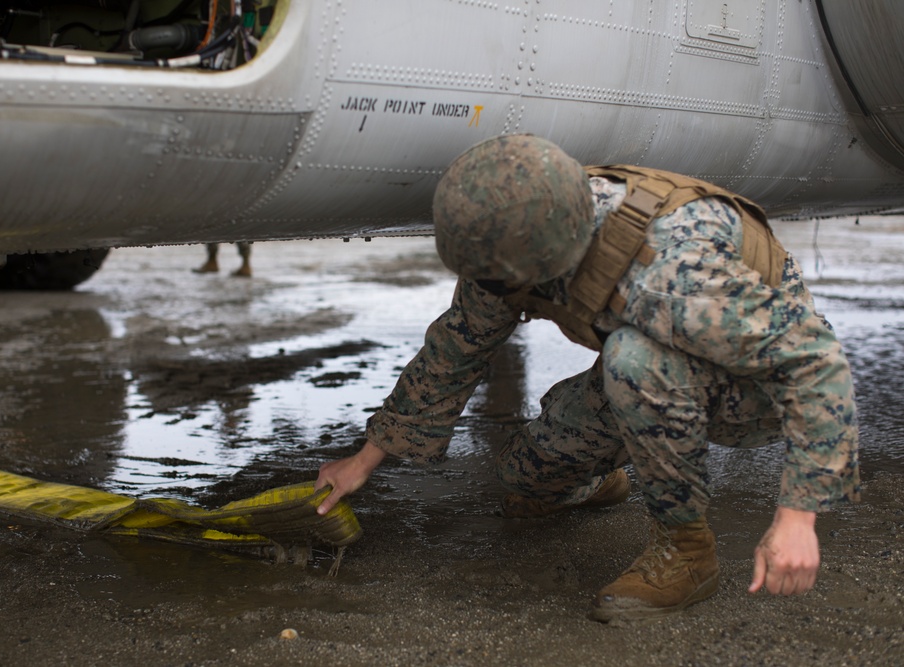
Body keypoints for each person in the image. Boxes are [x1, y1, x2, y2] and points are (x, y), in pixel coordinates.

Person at [313, 134, 860, 623]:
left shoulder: (671, 264)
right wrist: (365, 459)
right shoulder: (512, 233)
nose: (489, 283)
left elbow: (813, 363)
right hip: (660, 356)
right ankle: (606, 474)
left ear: (553, 254)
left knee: (632, 361)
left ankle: (687, 553)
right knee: (523, 478)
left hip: (755, 388)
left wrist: (797, 517)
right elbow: (458, 343)